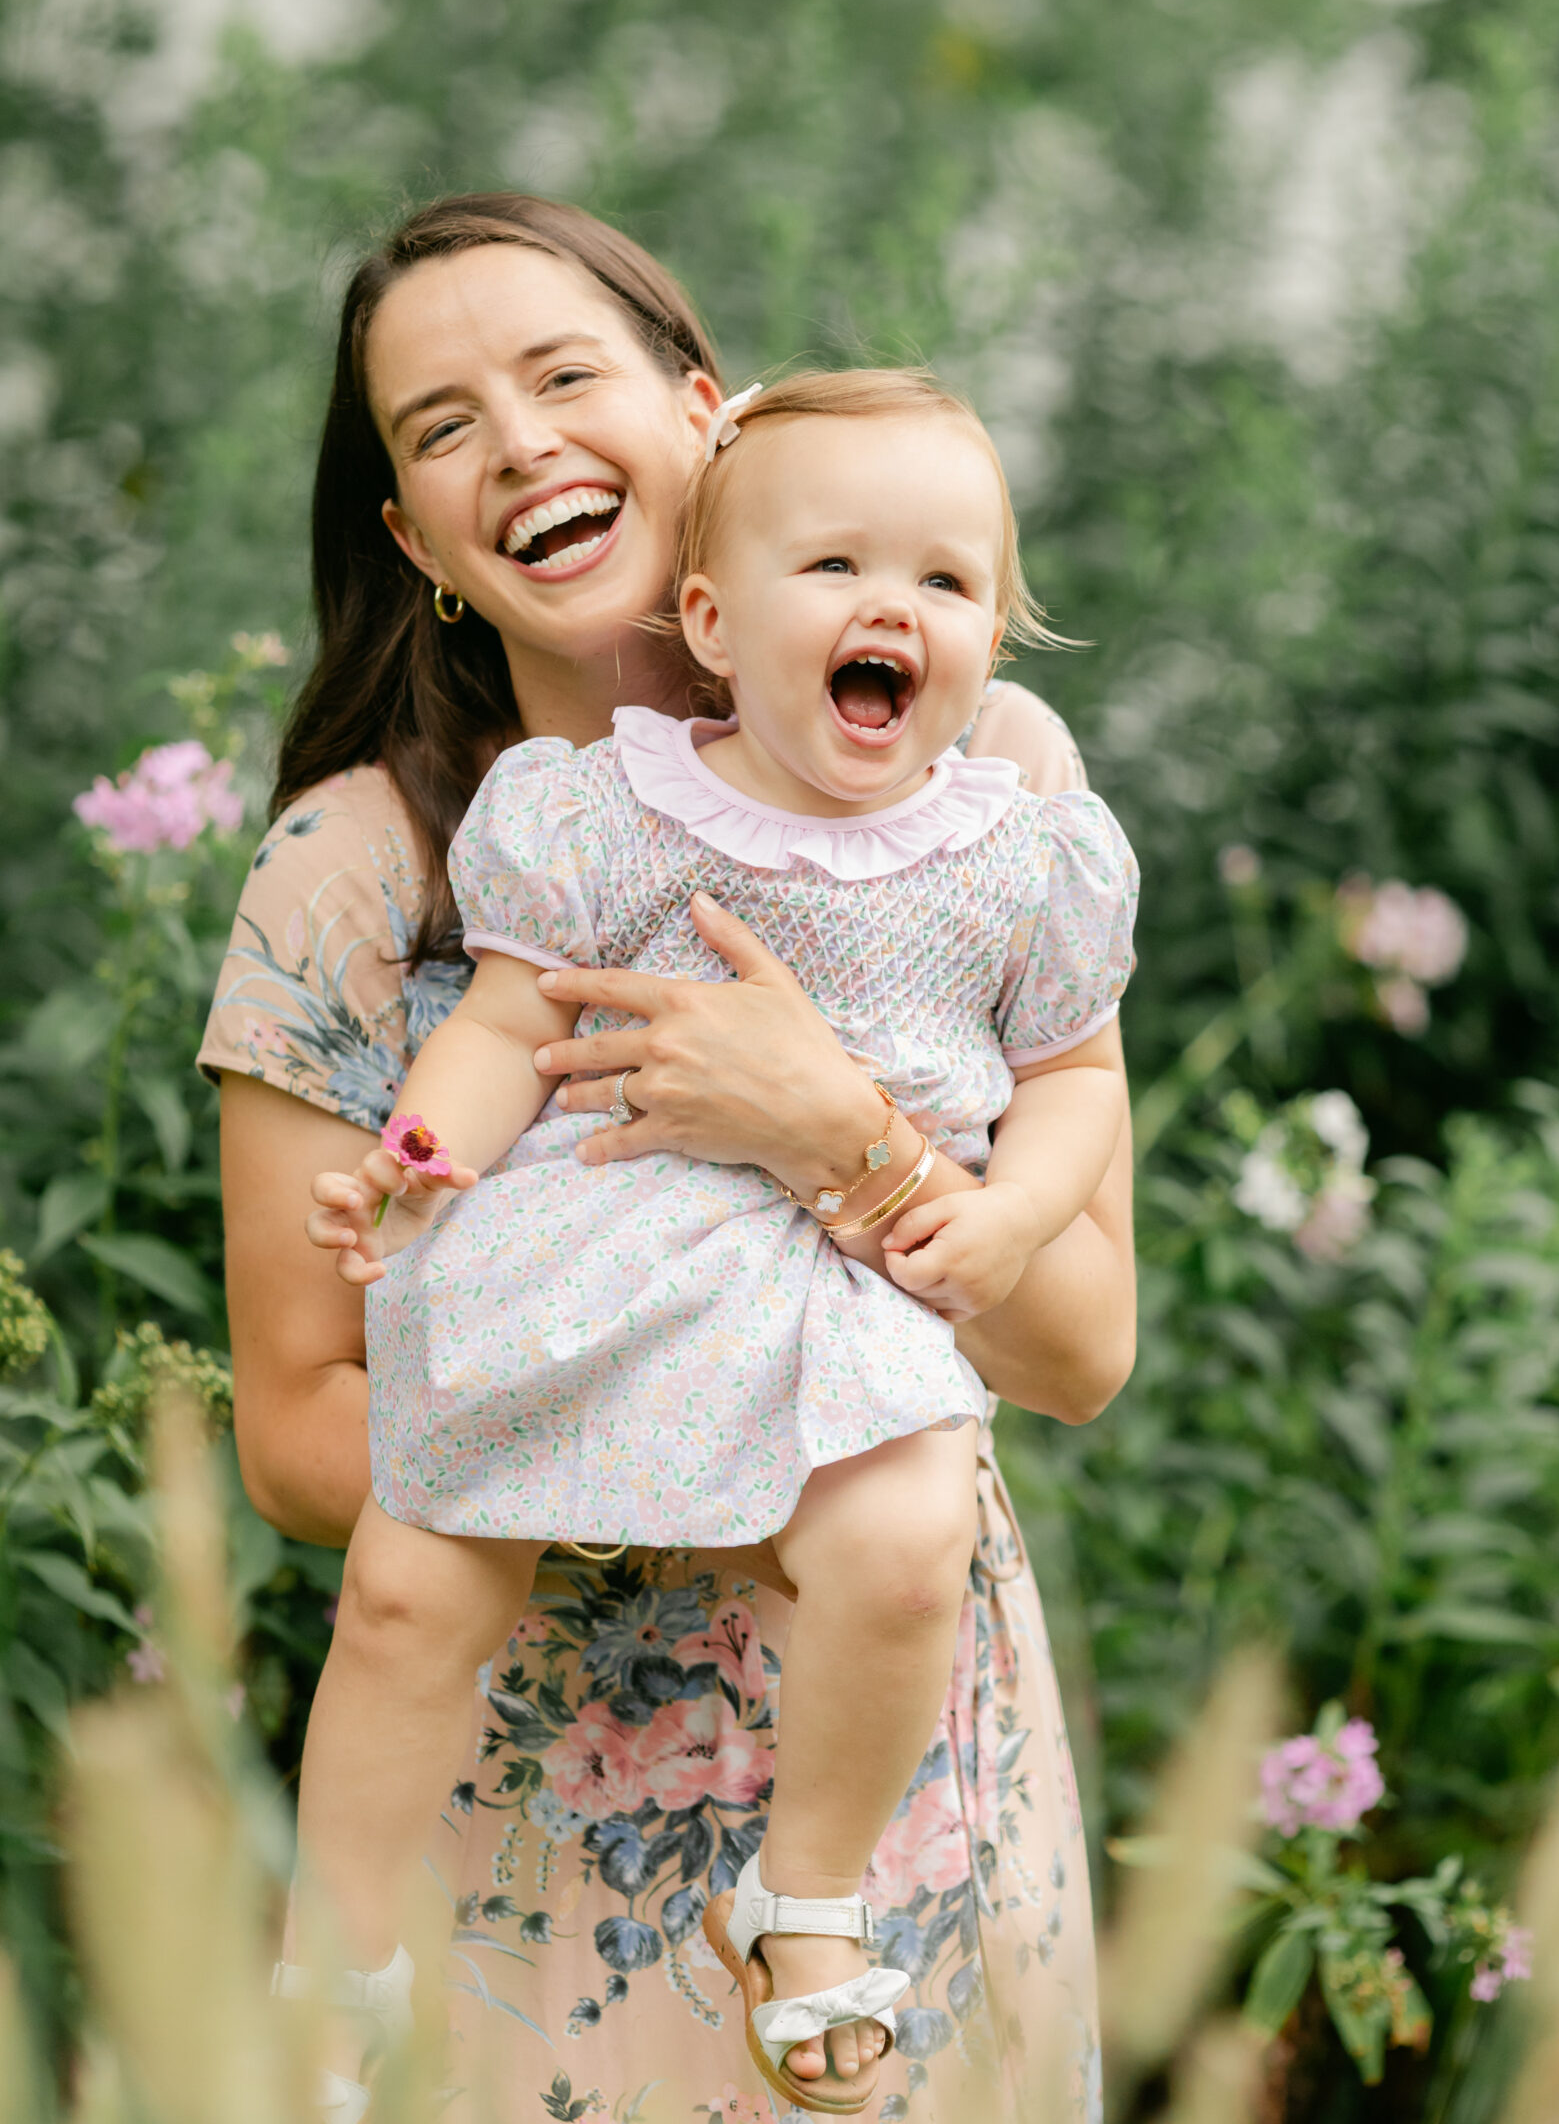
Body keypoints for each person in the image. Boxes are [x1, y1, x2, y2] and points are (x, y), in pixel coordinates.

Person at [199, 193, 1137, 2124]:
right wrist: (679, 1428)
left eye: (563, 376)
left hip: (883, 1817)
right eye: (441, 426)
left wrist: (841, 1138)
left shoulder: (987, 790)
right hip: (538, 1834)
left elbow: (1075, 1352)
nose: (521, 444)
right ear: (416, 541)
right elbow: (298, 1438)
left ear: (701, 416)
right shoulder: (358, 872)